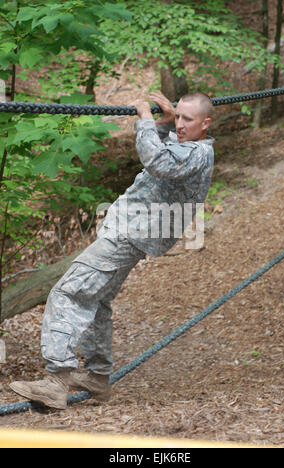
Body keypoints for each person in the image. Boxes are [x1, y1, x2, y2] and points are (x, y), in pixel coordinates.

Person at [9, 91, 214, 410]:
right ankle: (97, 377)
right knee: (97, 298)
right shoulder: (187, 145)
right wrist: (162, 125)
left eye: (188, 119)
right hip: (133, 230)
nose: (181, 123)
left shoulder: (199, 153)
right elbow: (166, 153)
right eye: (179, 116)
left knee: (68, 293)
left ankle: (56, 380)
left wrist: (145, 119)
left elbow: (158, 161)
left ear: (206, 123)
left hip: (132, 232)